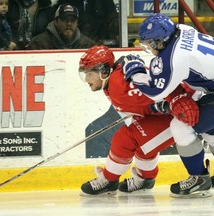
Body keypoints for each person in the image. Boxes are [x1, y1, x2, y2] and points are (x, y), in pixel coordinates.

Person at [122, 13, 214, 197]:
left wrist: (136, 73)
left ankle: (198, 179)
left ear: (159, 41)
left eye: (149, 44)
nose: (149, 48)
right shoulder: (183, 29)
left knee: (180, 126)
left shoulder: (174, 58)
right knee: (208, 127)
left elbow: (157, 92)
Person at [78, 45, 177, 196]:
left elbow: (159, 92)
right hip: (167, 114)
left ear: (103, 71)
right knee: (142, 143)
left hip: (179, 113)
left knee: (126, 138)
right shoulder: (112, 82)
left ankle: (109, 180)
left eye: (89, 74)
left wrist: (159, 106)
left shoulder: (119, 85)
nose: (86, 79)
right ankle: (145, 180)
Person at [26, 4, 96, 50]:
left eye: (73, 20)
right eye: (64, 20)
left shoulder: (88, 45)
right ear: (56, 21)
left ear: (77, 23)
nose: (69, 23)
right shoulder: (38, 44)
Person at [55, 0, 120, 47]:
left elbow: (112, 16)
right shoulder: (65, 2)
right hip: (76, 44)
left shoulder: (104, 2)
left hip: (100, 43)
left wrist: (115, 23)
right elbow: (59, 23)